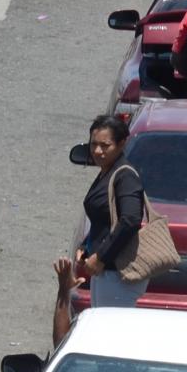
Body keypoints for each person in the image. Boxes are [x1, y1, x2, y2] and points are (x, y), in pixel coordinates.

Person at [75, 115, 148, 310]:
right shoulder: (107, 172)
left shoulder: (125, 176)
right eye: (93, 144)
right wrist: (86, 247)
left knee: (111, 326)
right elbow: (104, 220)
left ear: (122, 143)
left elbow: (130, 220)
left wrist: (101, 257)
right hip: (105, 270)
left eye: (105, 146)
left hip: (118, 272)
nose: (97, 151)